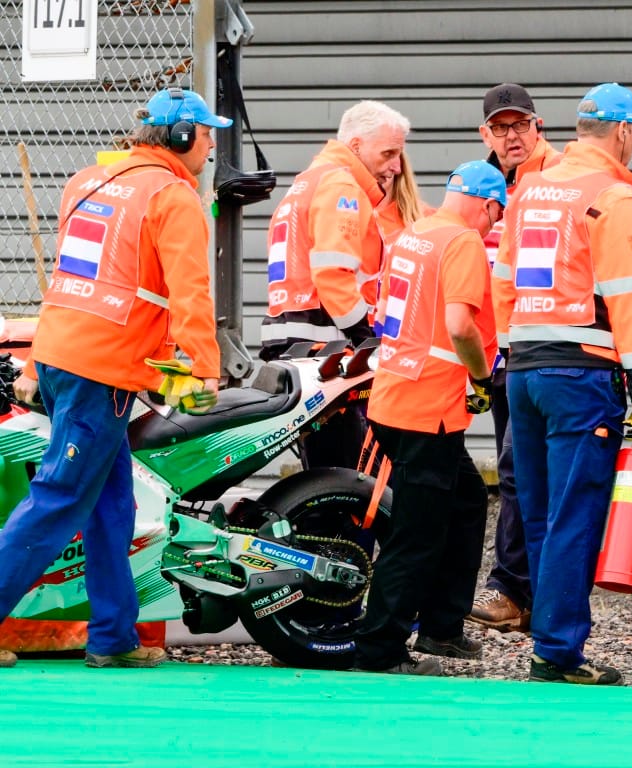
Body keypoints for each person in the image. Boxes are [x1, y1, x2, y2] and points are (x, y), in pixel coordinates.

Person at [0, 86, 225, 669]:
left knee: (112, 506)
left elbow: (70, 280)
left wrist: (36, 360)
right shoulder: (172, 196)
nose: (210, 146)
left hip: (66, 359)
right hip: (100, 372)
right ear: (181, 137)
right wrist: (205, 368)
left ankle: (113, 636)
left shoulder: (88, 181)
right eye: (206, 135)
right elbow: (191, 293)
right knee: (59, 499)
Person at [493, 83, 632, 685]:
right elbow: (627, 297)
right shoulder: (614, 197)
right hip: (581, 372)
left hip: (524, 368)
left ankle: (550, 639)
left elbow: (503, 281)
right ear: (623, 132)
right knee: (574, 513)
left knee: (538, 513)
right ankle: (558, 651)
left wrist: (508, 352)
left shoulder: (530, 189)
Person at [353, 161, 507, 676]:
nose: (494, 224)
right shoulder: (463, 242)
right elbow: (460, 325)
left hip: (393, 398)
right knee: (417, 532)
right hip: (429, 409)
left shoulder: (414, 234)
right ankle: (380, 648)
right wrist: (482, 377)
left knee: (465, 501)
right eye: (497, 215)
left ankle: (442, 625)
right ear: (488, 205)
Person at [259, 100, 420, 470]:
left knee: (325, 467)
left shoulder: (307, 182)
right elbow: (333, 275)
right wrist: (367, 338)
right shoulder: (341, 187)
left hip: (294, 341)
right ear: (357, 146)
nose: (397, 166)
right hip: (323, 349)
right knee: (347, 471)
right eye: (389, 153)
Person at [468, 83, 561, 634]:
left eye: (520, 124)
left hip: (546, 348)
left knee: (521, 471)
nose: (512, 136)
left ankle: (514, 588)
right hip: (498, 356)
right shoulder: (481, 188)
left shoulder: (558, 179)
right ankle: (528, 595)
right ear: (486, 134)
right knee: (517, 473)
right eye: (500, 127)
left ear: (537, 125)